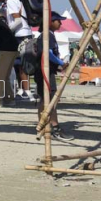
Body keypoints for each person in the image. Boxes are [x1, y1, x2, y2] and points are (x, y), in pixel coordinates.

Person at [34, 12, 74, 141]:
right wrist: (61, 63)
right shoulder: (47, 35)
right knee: (51, 99)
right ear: (50, 22)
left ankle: (43, 125)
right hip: (44, 72)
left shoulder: (48, 35)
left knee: (45, 99)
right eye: (58, 21)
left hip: (45, 70)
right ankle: (54, 127)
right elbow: (48, 53)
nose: (60, 23)